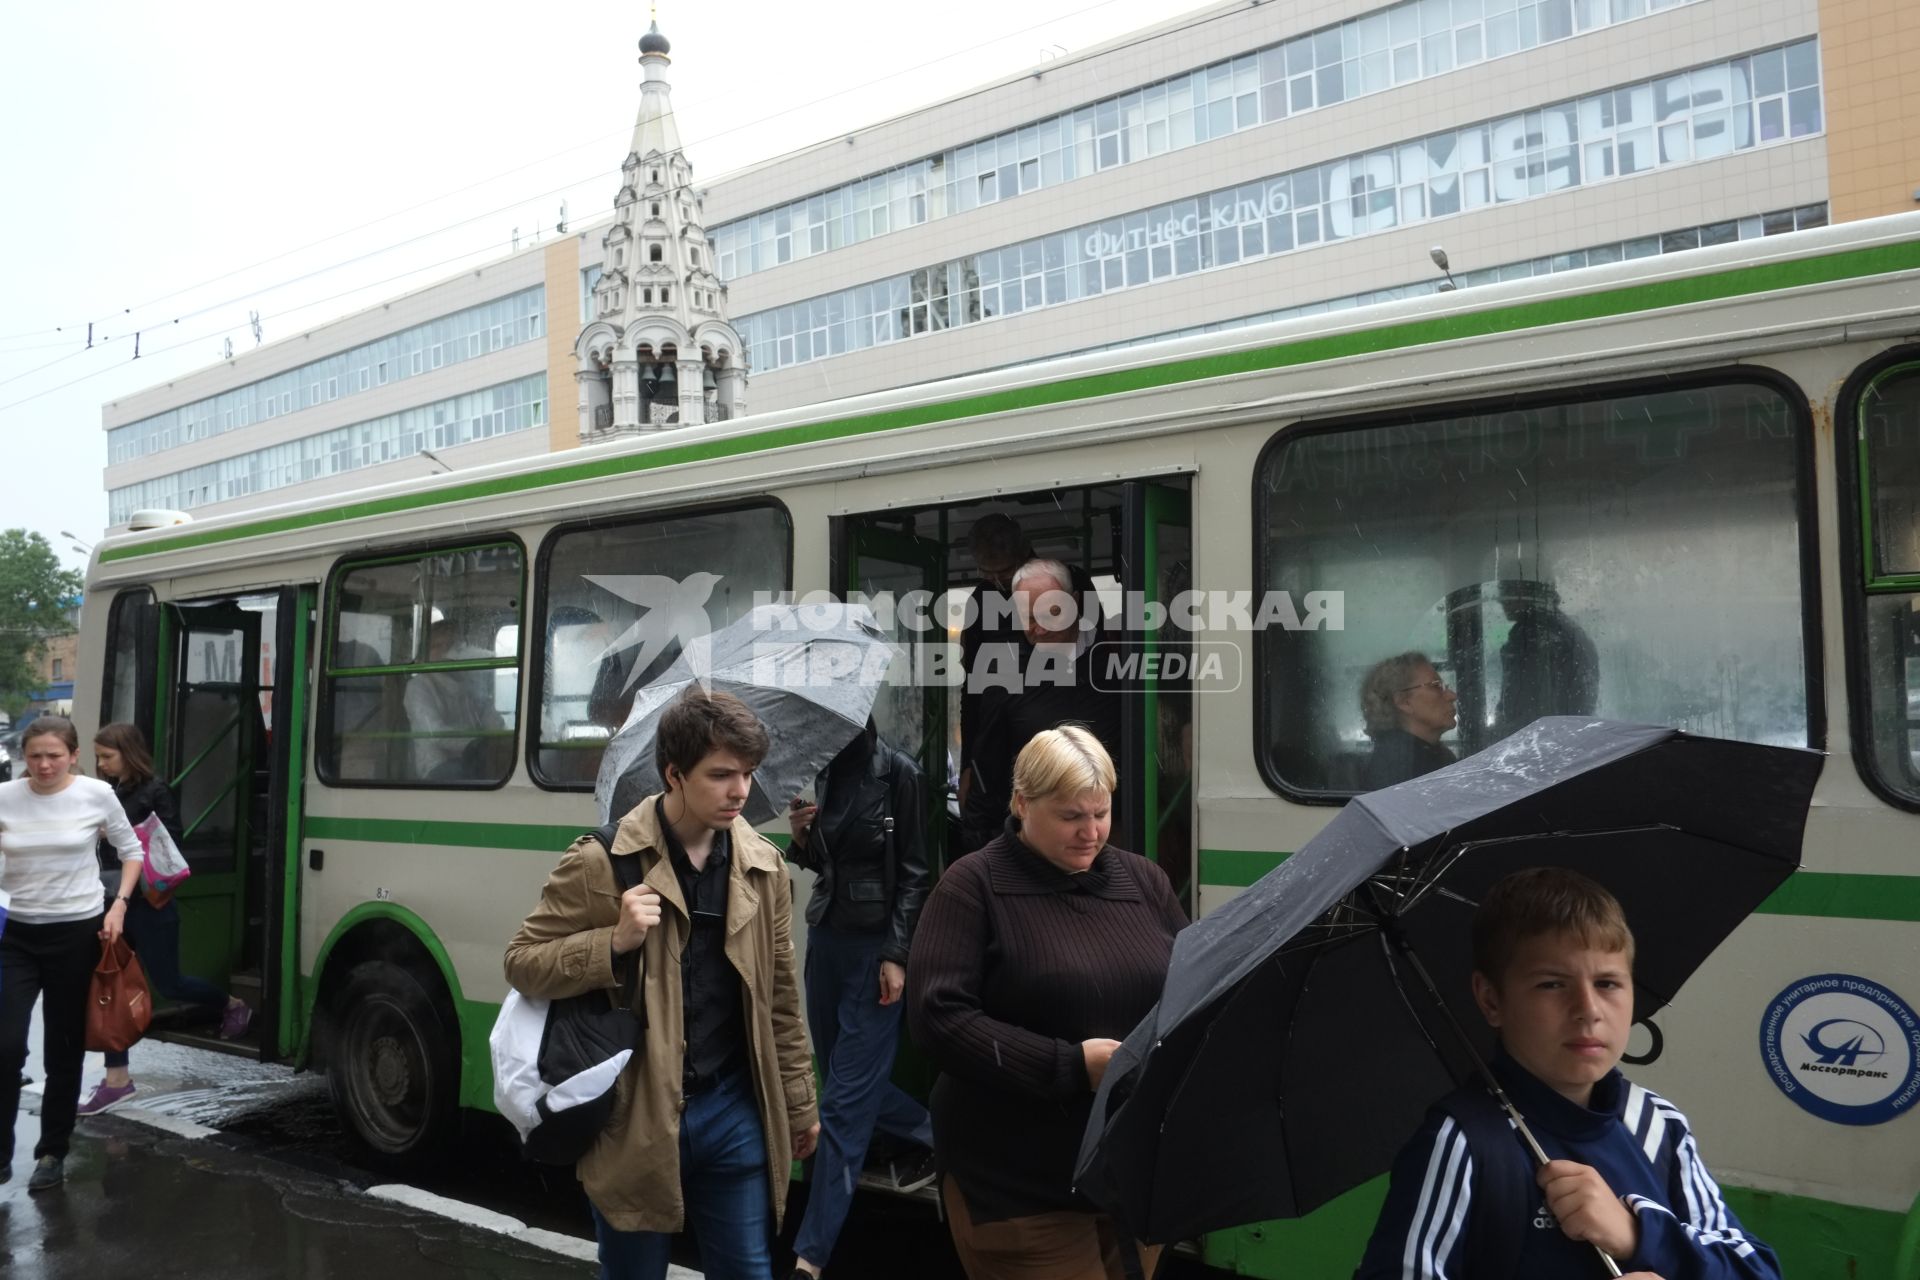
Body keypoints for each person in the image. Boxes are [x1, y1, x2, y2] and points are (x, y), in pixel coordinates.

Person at [503, 687, 819, 1280]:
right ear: (673, 774)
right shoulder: (601, 861)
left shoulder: (763, 866)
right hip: (636, 1114)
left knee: (748, 1271)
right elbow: (523, 961)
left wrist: (800, 1105)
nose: (741, 793)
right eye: (721, 775)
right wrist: (611, 942)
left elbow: (780, 996)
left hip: (732, 1110)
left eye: (748, 774)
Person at [1354, 868, 1782, 1280]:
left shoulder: (1658, 1125)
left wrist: (1636, 1234)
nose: (1589, 1010)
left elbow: (1756, 1271)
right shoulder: (1464, 1141)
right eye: (1552, 984)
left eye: (1608, 983)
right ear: (1490, 1000)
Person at [908, 727, 1185, 1280]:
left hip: (1126, 1174)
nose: (1091, 833)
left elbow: (1189, 984)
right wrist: (1071, 1065)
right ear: (1020, 803)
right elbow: (939, 1019)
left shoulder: (1143, 881)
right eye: (1069, 817)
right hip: (1017, 1183)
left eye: (1101, 813)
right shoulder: (973, 886)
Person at [784, 721, 936, 1279]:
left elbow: (917, 875)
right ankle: (936, 1130)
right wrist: (801, 840)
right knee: (840, 1080)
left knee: (844, 1105)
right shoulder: (821, 774)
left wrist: (898, 953)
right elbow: (827, 865)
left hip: (876, 950)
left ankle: (810, 1255)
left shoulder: (899, 773)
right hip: (827, 942)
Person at [0, 716, 144, 1192]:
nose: (43, 765)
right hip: (13, 937)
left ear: (73, 755)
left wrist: (118, 905)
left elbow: (132, 851)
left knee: (63, 1049)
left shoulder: (95, 795)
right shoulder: (5, 797)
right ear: (24, 756)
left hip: (76, 934)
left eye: (53, 756)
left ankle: (51, 1152)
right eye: (35, 756)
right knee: (5, 1047)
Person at [78, 723, 252, 1117]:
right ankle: (116, 1081)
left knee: (169, 983)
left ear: (128, 752)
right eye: (99, 757)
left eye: (107, 756)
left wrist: (116, 833)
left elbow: (170, 843)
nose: (101, 764)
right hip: (112, 901)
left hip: (150, 904)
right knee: (112, 984)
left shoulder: (156, 790)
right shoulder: (107, 792)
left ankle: (231, 1003)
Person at [960, 559, 1121, 853]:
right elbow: (988, 773)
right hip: (1035, 847)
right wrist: (981, 854)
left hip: (1111, 843)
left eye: (1052, 613)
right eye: (1028, 618)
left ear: (1075, 603)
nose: (1040, 629)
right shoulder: (1006, 671)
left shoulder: (1116, 658)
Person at [404, 619, 504, 779]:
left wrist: (501, 738)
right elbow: (434, 732)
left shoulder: (469, 682)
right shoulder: (418, 686)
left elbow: (491, 718)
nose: (444, 651)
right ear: (426, 653)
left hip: (475, 758)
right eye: (437, 646)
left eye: (450, 645)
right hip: (437, 765)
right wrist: (477, 745)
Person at [1359, 651, 1458, 790]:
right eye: (1436, 686)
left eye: (1445, 687)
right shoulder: (1401, 768)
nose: (1452, 696)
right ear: (1403, 702)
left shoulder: (1430, 756)